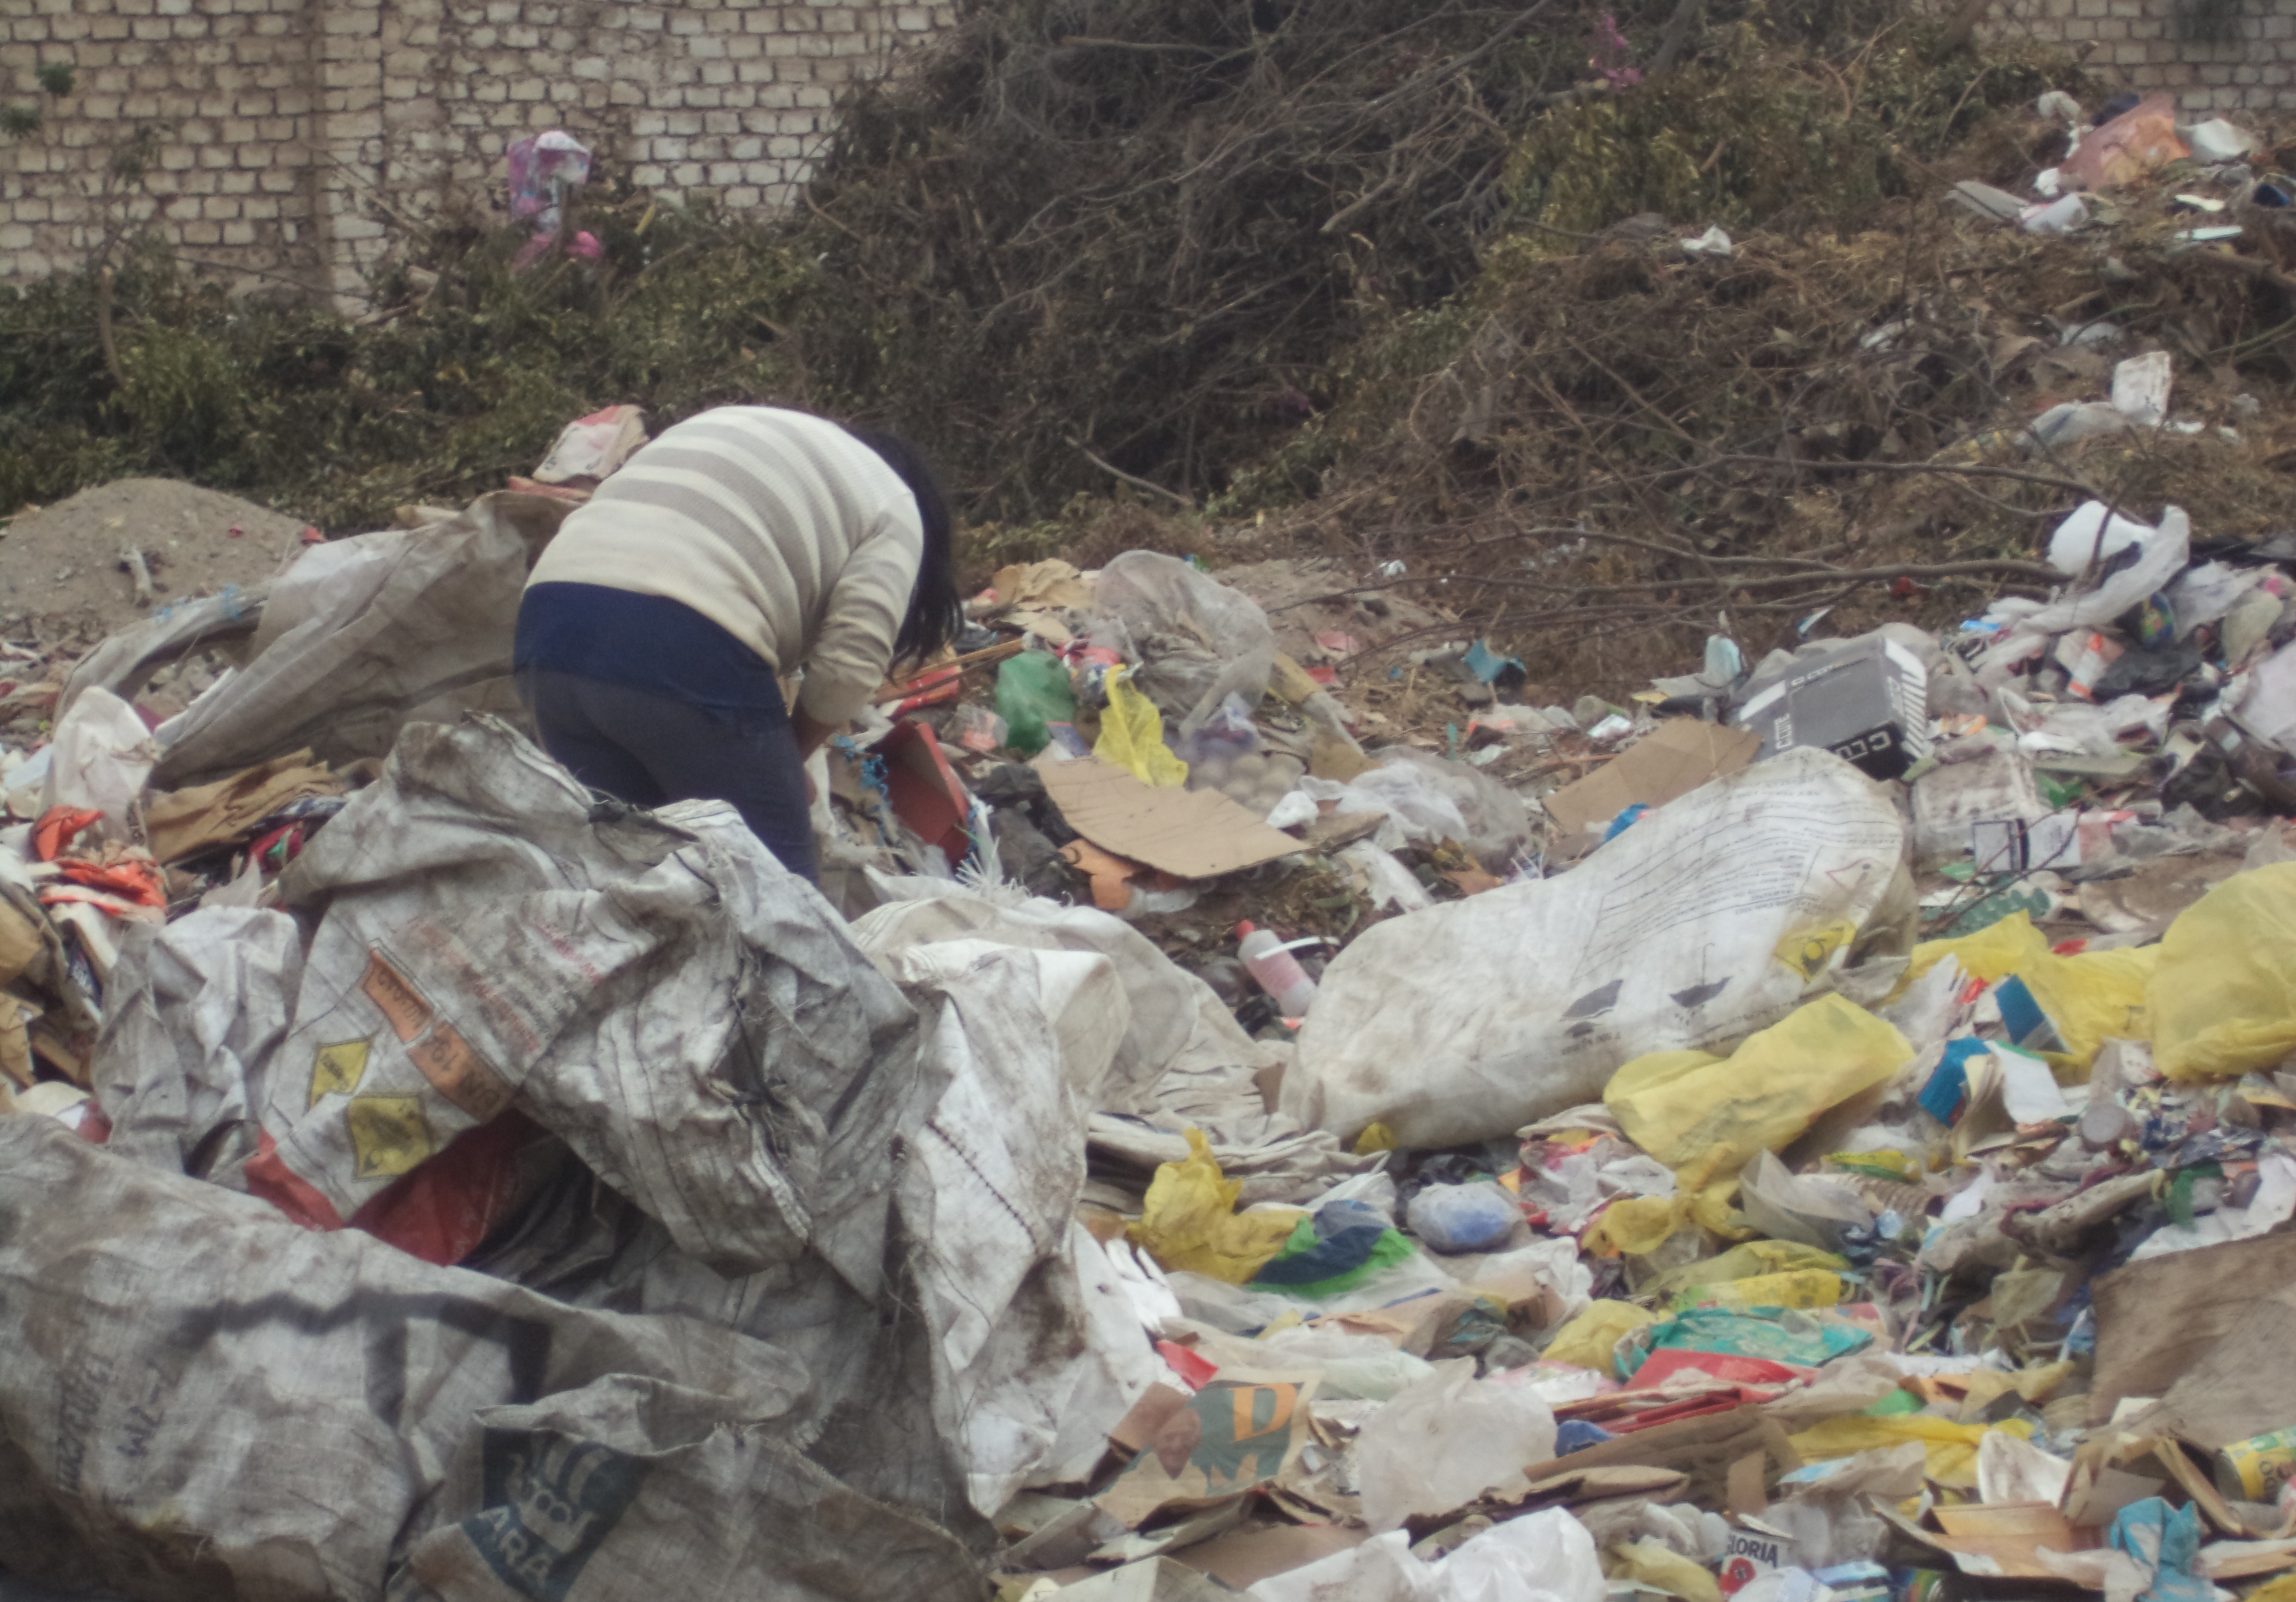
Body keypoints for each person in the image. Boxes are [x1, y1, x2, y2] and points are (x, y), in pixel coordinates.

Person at [514, 405, 962, 883]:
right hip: (676, 639)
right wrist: (790, 758)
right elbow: (848, 670)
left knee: (627, 883)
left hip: (546, 629)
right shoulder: (894, 502)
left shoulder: (759, 439)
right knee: (779, 896)